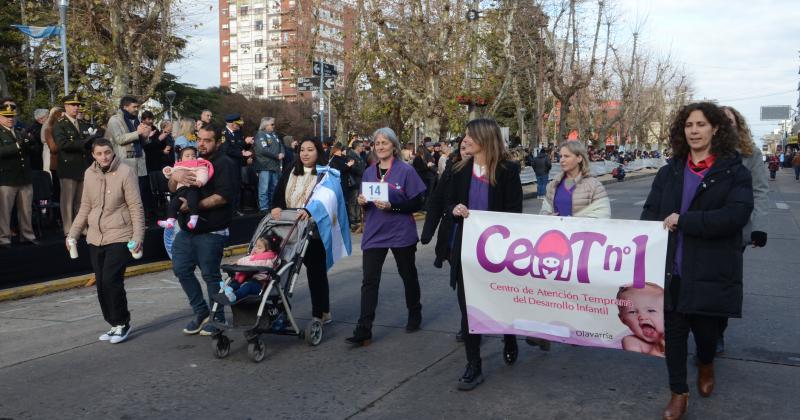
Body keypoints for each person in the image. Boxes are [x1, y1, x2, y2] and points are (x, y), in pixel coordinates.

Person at [640, 102, 753, 420]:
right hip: (671, 270)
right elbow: (650, 212)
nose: (694, 130)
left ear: (715, 129)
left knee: (706, 334)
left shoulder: (734, 172)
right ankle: (678, 392)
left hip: (711, 271)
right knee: (674, 336)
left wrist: (685, 220)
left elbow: (735, 216)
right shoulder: (669, 171)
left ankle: (706, 362)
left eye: (701, 124)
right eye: (689, 125)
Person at [443, 119, 522, 391]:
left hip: (499, 252)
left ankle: (509, 336)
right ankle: (473, 364)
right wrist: (455, 209)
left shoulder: (508, 170)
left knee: (501, 300)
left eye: (469, 135)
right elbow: (448, 201)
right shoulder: (459, 169)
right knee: (468, 307)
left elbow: (515, 211)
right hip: (465, 249)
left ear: (484, 138)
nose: (465, 139)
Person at [346, 127, 426, 346]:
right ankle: (364, 329)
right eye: (377, 143)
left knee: (407, 274)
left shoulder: (406, 171)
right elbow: (365, 200)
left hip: (400, 231)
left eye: (384, 143)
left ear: (394, 146)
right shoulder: (369, 172)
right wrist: (361, 201)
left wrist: (394, 206)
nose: (380, 147)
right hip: (374, 232)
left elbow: (417, 202)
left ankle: (414, 312)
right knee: (369, 280)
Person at [67, 138, 145, 344]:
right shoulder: (89, 173)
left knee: (112, 279)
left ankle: (123, 322)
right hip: (95, 237)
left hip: (120, 234)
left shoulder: (125, 172)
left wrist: (138, 237)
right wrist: (73, 233)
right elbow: (85, 206)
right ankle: (113, 324)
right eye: (99, 153)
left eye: (107, 152)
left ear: (113, 152)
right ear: (93, 155)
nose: (104, 157)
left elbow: (136, 207)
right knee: (101, 283)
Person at [169, 124, 238, 336]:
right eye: (199, 139)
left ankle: (217, 317)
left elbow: (222, 196)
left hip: (211, 229)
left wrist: (193, 206)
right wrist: (176, 177)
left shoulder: (225, 163)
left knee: (210, 274)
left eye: (207, 140)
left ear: (217, 142)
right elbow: (173, 188)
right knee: (180, 269)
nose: (201, 144)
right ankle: (201, 312)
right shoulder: (191, 160)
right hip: (186, 230)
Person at [718, 106, 769, 354]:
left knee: (723, 285)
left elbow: (760, 191)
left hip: (734, 233)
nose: (725, 125)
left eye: (730, 120)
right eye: (719, 120)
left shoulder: (751, 154)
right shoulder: (698, 152)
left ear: (738, 124)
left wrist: (758, 228)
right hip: (699, 228)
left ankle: (717, 333)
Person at [270, 138, 332, 324]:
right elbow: (279, 194)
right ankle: (281, 311)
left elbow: (329, 199)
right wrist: (276, 207)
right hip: (288, 229)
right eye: (302, 150)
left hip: (313, 231)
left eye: (310, 150)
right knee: (282, 273)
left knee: (316, 273)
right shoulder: (291, 169)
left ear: (318, 152)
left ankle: (320, 312)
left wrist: (312, 212)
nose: (305, 153)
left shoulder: (325, 173)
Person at [421, 136, 468, 341]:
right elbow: (438, 200)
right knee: (463, 283)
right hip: (454, 234)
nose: (466, 148)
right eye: (463, 145)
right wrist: (428, 231)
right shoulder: (452, 168)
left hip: (484, 238)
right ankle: (467, 325)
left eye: (471, 143)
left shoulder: (491, 170)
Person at [106, 96, 154, 221]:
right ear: (125, 107)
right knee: (128, 191)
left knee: (141, 190)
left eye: (137, 107)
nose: (136, 109)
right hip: (126, 161)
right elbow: (119, 139)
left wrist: (146, 136)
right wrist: (137, 133)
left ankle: (140, 218)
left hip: (140, 160)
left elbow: (141, 140)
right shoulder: (114, 120)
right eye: (134, 107)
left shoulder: (136, 119)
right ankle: (128, 219)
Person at [54, 94, 93, 236]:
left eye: (78, 105)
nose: (76, 107)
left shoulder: (82, 124)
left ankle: (82, 227)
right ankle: (68, 228)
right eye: (73, 105)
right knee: (67, 202)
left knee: (82, 202)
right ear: (66, 106)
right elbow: (62, 144)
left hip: (83, 166)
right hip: (68, 167)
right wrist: (84, 143)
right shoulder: (60, 124)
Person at [0, 102, 37, 248]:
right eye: (6, 116)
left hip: (24, 176)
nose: (10, 119)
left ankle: (27, 235)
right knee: (5, 210)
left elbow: (30, 151)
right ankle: (4, 238)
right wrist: (17, 145)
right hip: (7, 177)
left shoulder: (19, 130)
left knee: (26, 209)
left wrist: (31, 142)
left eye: (12, 116)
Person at [158, 146, 214, 230]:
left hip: (192, 187)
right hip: (180, 191)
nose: (191, 157)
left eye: (193, 155)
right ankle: (170, 220)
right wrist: (167, 171)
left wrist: (200, 181)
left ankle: (194, 218)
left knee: (192, 201)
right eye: (187, 156)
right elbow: (170, 172)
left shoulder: (198, 165)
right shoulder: (178, 166)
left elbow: (203, 172)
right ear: (180, 159)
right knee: (172, 205)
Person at [220, 234, 281, 304]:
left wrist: (239, 262)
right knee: (236, 282)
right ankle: (229, 289)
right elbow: (247, 259)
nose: (256, 249)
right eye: (256, 246)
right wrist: (237, 262)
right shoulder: (256, 256)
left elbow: (255, 263)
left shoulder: (268, 260)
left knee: (248, 287)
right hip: (249, 279)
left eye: (259, 247)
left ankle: (235, 296)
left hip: (259, 284)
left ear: (268, 251)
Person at [617, 283, 665, 357]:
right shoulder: (631, 341)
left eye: (651, 310)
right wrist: (656, 349)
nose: (642, 316)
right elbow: (637, 364)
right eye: (632, 312)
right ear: (623, 319)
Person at [254, 117, 284, 211]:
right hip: (265, 166)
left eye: (273, 124)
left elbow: (281, 145)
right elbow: (263, 149)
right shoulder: (260, 134)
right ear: (265, 125)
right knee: (264, 189)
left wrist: (282, 153)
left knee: (274, 188)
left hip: (275, 166)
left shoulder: (274, 135)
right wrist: (276, 155)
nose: (274, 126)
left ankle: (272, 206)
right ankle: (264, 208)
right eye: (272, 124)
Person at [346, 140, 366, 231]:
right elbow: (352, 168)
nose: (363, 147)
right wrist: (362, 171)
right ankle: (353, 220)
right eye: (361, 146)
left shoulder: (359, 156)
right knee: (353, 201)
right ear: (357, 147)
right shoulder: (350, 155)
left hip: (359, 181)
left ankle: (358, 218)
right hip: (354, 182)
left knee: (358, 201)